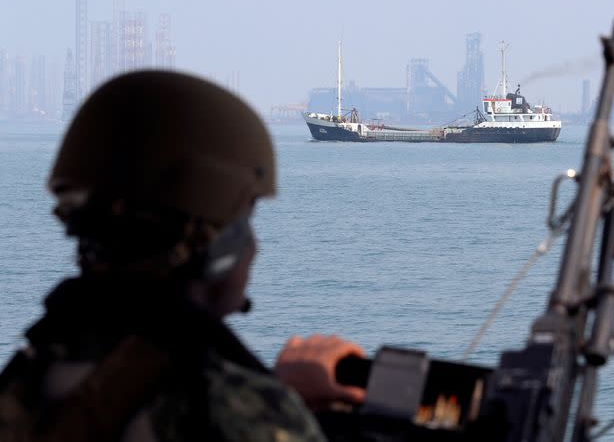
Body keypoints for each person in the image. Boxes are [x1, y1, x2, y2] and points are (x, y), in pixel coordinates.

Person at [0, 71, 365, 441]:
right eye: (244, 218)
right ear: (217, 247)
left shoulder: (28, 379)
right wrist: (274, 404)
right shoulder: (224, 408)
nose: (254, 247)